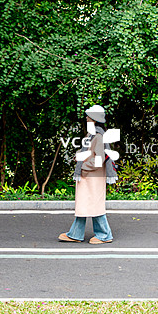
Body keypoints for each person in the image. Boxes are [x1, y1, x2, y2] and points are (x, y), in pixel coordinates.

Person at [58, 104, 116, 244]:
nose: (86, 117)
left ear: (94, 118)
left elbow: (99, 159)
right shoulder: (92, 134)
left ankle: (105, 235)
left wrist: (83, 166)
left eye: (88, 116)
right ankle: (76, 234)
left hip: (92, 176)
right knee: (84, 205)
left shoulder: (98, 136)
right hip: (89, 176)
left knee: (95, 205)